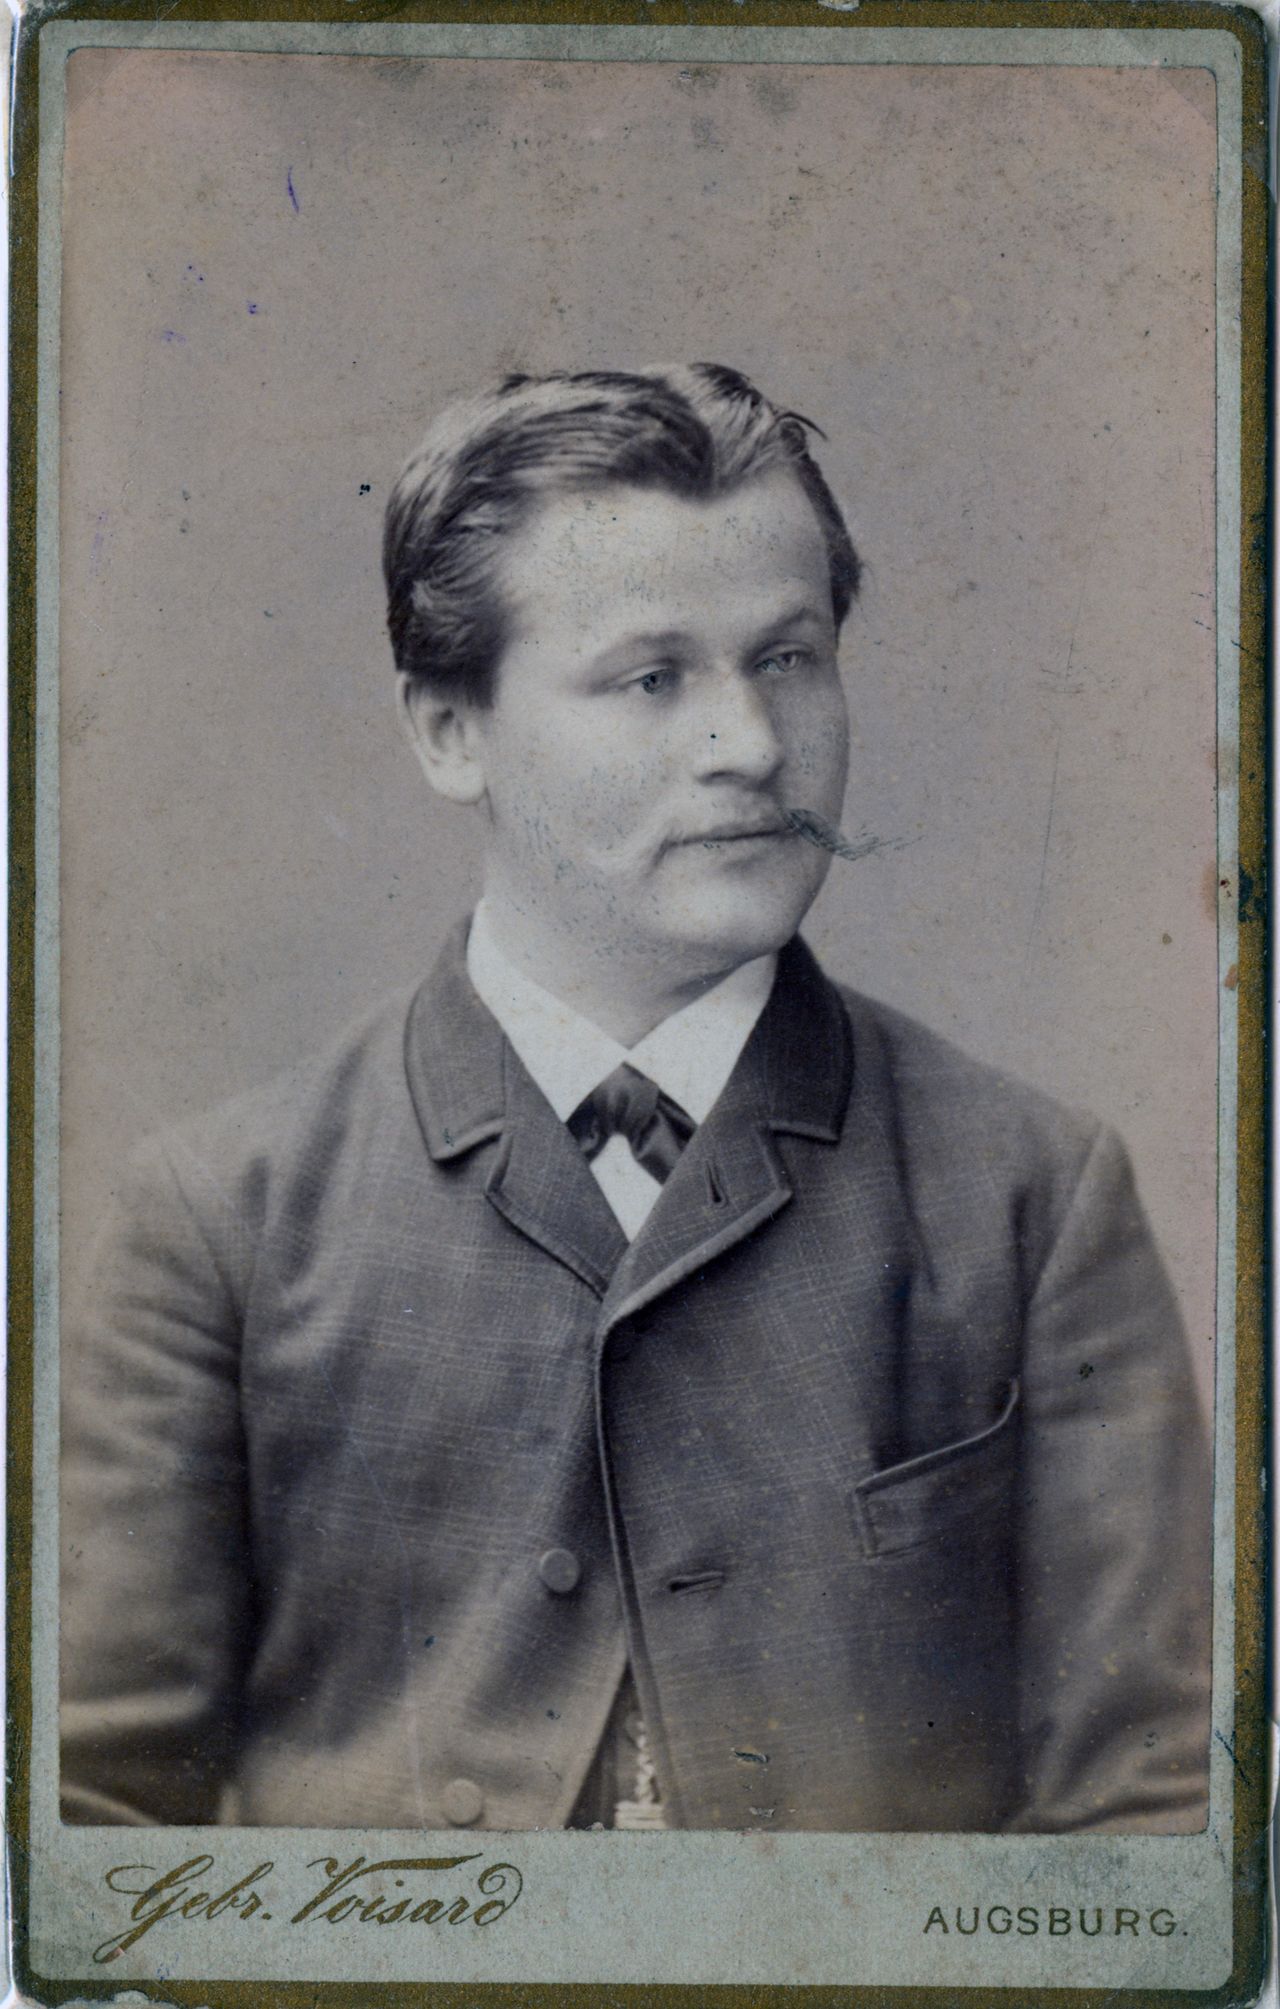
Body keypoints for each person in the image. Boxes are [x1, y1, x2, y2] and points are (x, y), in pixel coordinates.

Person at [61, 363, 1211, 1834]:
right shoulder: (222, 1222)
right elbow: (88, 1830)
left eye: (788, 657)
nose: (754, 744)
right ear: (448, 730)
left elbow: (1151, 1811)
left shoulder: (1032, 1197)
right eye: (652, 678)